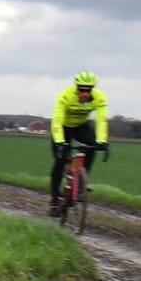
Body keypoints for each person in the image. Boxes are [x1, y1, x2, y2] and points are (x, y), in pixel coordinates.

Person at [48, 72, 109, 215]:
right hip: (63, 127)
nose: (85, 93)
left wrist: (102, 140)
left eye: (88, 90)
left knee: (92, 146)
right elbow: (57, 120)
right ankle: (55, 199)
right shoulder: (66, 96)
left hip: (81, 126)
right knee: (60, 160)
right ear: (76, 87)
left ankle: (82, 180)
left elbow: (102, 120)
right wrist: (59, 142)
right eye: (81, 90)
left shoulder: (98, 97)